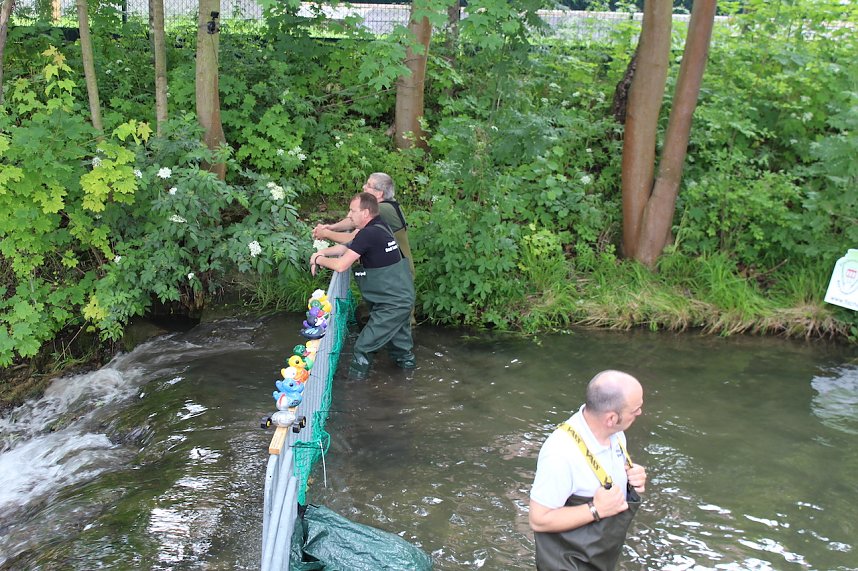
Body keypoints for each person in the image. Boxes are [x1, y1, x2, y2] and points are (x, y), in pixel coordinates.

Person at [529, 370, 647, 571]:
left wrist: (631, 478)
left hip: (600, 559)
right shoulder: (560, 453)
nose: (639, 413)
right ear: (611, 418)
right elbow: (538, 520)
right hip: (567, 563)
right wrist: (595, 509)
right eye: (635, 410)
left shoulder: (616, 434)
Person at [310, 192, 416, 379]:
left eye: (352, 211)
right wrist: (322, 253)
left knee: (363, 347)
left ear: (366, 213)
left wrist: (319, 259)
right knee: (401, 350)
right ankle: (408, 382)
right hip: (400, 299)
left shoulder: (369, 233)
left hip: (392, 305)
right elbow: (347, 247)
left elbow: (342, 265)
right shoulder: (379, 225)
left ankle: (355, 388)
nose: (349, 215)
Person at [313, 173, 415, 278]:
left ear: (379, 193)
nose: (364, 187)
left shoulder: (382, 210)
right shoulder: (387, 206)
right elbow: (352, 222)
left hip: (397, 275)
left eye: (368, 185)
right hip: (396, 272)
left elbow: (351, 238)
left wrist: (325, 233)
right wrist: (331, 227)